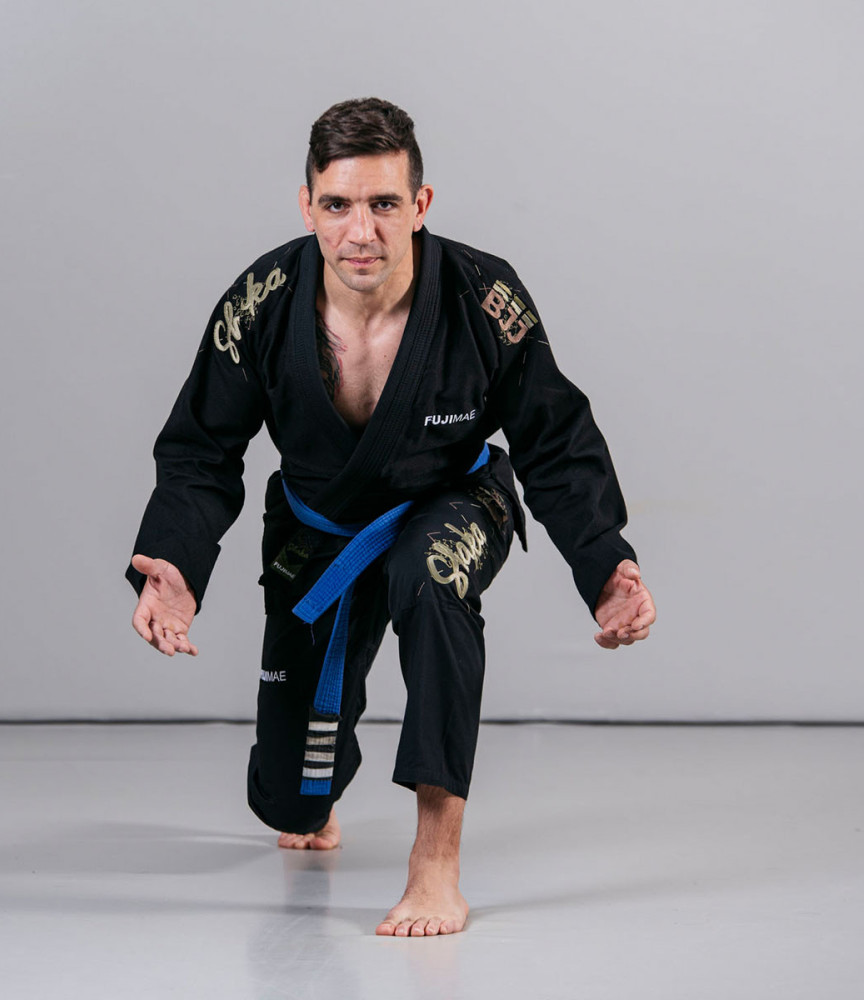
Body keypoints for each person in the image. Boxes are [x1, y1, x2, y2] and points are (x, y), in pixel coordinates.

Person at [126, 97, 656, 937]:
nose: (361, 231)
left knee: (430, 578)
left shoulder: (483, 297)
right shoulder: (260, 303)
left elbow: (556, 439)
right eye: (338, 205)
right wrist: (175, 562)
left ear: (421, 204)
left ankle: (436, 864)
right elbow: (201, 447)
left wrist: (605, 565)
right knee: (288, 801)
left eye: (383, 203)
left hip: (451, 501)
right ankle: (315, 783)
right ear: (307, 206)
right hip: (319, 525)